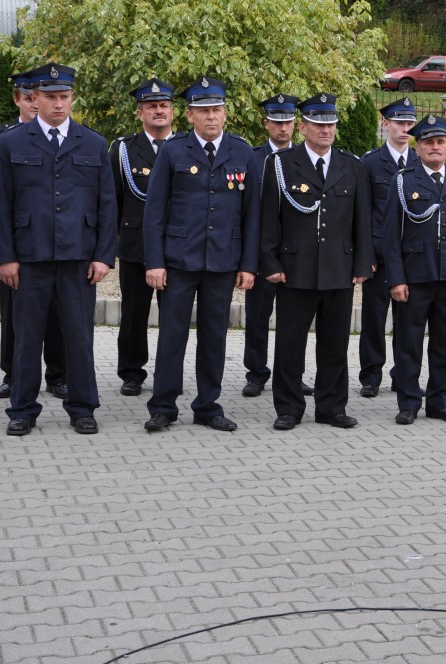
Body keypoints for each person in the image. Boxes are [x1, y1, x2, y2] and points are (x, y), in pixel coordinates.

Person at [0, 62, 118, 436]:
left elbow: (107, 204)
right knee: (27, 336)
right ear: (35, 98)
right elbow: (2, 204)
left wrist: (102, 255)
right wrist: (7, 256)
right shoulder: (13, 143)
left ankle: (82, 408)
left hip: (79, 257)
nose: (58, 104)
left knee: (79, 337)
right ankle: (23, 409)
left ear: (71, 97)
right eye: (50, 97)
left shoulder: (93, 143)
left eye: (64, 97)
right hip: (30, 257)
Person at [142, 76, 261, 433]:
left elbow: (252, 213)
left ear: (226, 114)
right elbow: (155, 212)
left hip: (223, 261)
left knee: (214, 337)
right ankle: (163, 406)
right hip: (179, 260)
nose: (212, 117)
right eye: (204, 110)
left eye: (217, 110)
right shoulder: (173, 151)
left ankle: (208, 405)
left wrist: (248, 265)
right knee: (172, 335)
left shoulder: (242, 152)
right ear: (190, 115)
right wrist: (155, 262)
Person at [259, 93, 372, 430]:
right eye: (318, 124)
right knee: (290, 343)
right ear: (303, 127)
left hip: (339, 268)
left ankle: (331, 407)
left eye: (331, 124)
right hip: (295, 268)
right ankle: (289, 408)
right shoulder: (280, 164)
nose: (326, 130)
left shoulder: (351, 165)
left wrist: (362, 264)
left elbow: (360, 220)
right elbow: (269, 218)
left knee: (335, 343)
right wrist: (270, 261)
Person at [382, 114, 446, 425]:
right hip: (416, 277)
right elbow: (390, 235)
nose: (435, 147)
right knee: (409, 342)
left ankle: (439, 400)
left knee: (443, 343)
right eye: (428, 143)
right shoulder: (404, 180)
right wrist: (395, 278)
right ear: (419, 148)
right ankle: (409, 402)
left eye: (440, 142)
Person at [0, 70, 67, 401]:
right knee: (13, 311)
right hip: (14, 242)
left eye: (37, 96)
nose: (34, 102)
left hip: (54, 242)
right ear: (18, 99)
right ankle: (13, 374)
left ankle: (58, 375)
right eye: (27, 97)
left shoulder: (65, 136)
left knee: (57, 311)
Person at [241, 93, 313, 399]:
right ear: (266, 123)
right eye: (276, 121)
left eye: (287, 122)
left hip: (296, 253)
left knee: (293, 321)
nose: (282, 128)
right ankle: (256, 372)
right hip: (261, 251)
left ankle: (291, 375)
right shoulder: (253, 159)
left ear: (295, 125)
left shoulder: (305, 158)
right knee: (258, 316)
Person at [109, 78, 176, 397]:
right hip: (136, 247)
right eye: (151, 106)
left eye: (163, 105)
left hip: (177, 246)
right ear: (140, 113)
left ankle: (168, 371)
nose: (158, 111)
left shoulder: (185, 147)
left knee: (173, 315)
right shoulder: (123, 149)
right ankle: (132, 372)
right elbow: (113, 201)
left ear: (173, 111)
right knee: (134, 313)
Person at [357, 97, 419, 398]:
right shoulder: (369, 163)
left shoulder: (420, 162)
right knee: (374, 318)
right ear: (386, 124)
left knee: (408, 321)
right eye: (399, 123)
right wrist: (365, 254)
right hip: (379, 257)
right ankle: (371, 376)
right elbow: (364, 213)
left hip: (410, 258)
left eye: (409, 123)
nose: (405, 129)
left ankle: (403, 375)